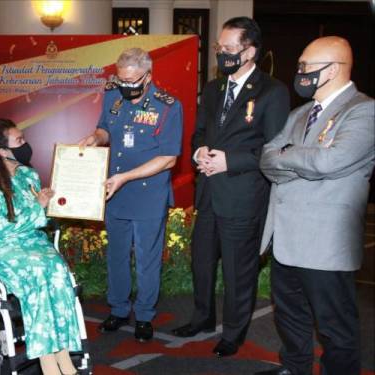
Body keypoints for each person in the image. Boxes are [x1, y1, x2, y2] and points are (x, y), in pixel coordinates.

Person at [171, 17, 290, 357]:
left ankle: (234, 333)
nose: (221, 54)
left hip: (243, 196)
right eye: (219, 48)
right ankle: (202, 318)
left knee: (239, 270)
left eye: (228, 49)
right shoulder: (213, 88)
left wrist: (229, 161)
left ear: (249, 51)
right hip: (208, 191)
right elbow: (200, 133)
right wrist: (198, 152)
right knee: (202, 262)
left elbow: (275, 149)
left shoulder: (273, 92)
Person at [256, 36, 374, 375]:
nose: (300, 73)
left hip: (326, 244)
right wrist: (294, 160)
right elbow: (267, 157)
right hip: (286, 238)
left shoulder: (364, 110)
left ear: (334, 69)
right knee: (290, 316)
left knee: (335, 328)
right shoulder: (300, 112)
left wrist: (287, 156)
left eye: (306, 67)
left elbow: (331, 161)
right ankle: (294, 368)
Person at [79, 48, 182, 342]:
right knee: (117, 255)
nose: (126, 85)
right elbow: (105, 129)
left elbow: (169, 158)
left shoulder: (168, 107)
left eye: (132, 80)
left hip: (148, 194)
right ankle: (119, 309)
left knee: (147, 259)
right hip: (114, 190)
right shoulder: (113, 94)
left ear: (148, 77)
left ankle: (145, 315)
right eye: (120, 79)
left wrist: (125, 177)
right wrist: (94, 139)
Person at [0, 118, 81, 375]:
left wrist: (56, 204)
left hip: (30, 241)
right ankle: (47, 361)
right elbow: (1, 228)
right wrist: (38, 208)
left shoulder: (28, 174)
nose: (25, 145)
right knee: (36, 271)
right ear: (2, 151)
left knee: (56, 268)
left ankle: (64, 354)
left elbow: (43, 218)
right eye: (19, 141)